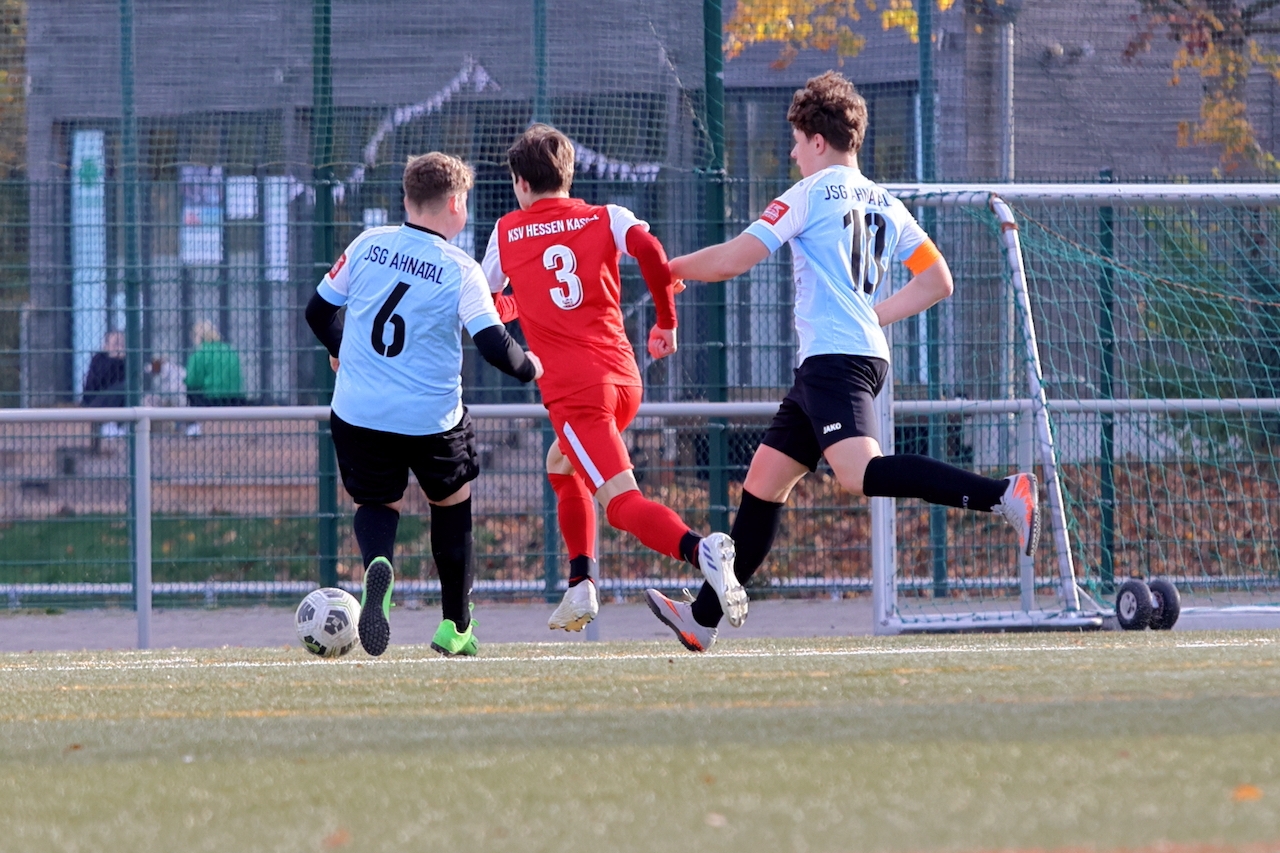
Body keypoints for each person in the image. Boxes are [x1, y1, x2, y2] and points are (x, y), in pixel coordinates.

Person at [651, 71, 1041, 653]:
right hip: (842, 359)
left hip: (835, 361)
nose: (792, 154)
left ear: (816, 140)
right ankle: (701, 620)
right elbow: (938, 280)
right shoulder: (886, 201)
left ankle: (1003, 494)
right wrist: (874, 317)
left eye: (795, 142)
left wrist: (668, 269)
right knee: (763, 483)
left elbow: (734, 259)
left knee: (860, 474)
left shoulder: (808, 195)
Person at [481, 124, 744, 641]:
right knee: (561, 462)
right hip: (624, 379)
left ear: (520, 182)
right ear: (568, 175)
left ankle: (701, 550)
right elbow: (651, 252)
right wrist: (666, 322)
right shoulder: (606, 215)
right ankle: (581, 583)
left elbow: (487, 305)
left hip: (576, 393)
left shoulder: (507, 230)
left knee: (621, 504)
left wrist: (519, 304)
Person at [306, 151, 542, 658]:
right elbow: (494, 345)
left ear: (407, 198)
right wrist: (531, 367)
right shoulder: (461, 269)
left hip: (359, 412)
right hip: (432, 420)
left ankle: (378, 564)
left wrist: (340, 349)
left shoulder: (367, 244)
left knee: (376, 503)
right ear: (455, 204)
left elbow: (318, 311)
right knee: (451, 507)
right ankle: (455, 627)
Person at [184, 320, 245, 436]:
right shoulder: (230, 350)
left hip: (210, 399)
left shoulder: (200, 353)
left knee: (191, 389)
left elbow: (192, 380)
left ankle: (193, 426)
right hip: (234, 398)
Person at [82, 330, 127, 437]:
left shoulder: (127, 360)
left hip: (120, 400)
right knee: (125, 387)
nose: (119, 347)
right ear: (106, 346)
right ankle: (112, 425)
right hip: (97, 401)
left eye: (122, 344)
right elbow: (99, 382)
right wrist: (116, 360)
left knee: (129, 388)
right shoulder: (99, 359)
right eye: (116, 344)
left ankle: (123, 425)